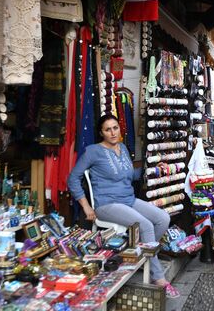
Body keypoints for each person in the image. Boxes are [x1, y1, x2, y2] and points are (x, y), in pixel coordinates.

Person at [67, 114, 180, 298]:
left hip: (128, 199)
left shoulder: (123, 149)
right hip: (107, 204)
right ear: (101, 133)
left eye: (115, 127)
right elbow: (72, 179)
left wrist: (152, 167)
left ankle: (142, 256)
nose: (112, 132)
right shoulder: (92, 151)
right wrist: (86, 207)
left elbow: (130, 175)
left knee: (163, 218)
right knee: (146, 225)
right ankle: (159, 278)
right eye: (107, 129)